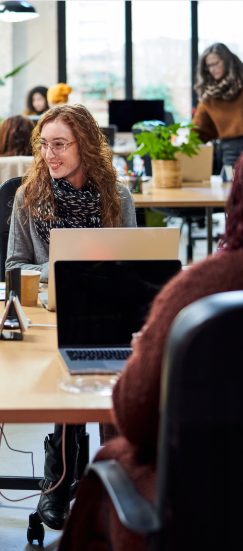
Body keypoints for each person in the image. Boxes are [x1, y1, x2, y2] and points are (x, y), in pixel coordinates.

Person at [58, 152, 243, 551]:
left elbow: (136, 418)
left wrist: (147, 352)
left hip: (207, 502)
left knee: (112, 458)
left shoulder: (201, 290)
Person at [6, 103, 136, 531]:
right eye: (44, 145)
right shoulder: (30, 196)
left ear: (87, 146)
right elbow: (13, 267)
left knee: (105, 369)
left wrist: (93, 269)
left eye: (60, 144)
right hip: (51, 313)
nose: (50, 155)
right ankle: (60, 473)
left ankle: (112, 475)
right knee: (72, 355)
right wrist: (62, 266)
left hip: (107, 310)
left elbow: (134, 262)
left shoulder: (116, 197)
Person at [193, 42, 243, 167]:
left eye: (215, 63)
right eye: (208, 66)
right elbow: (199, 130)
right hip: (230, 152)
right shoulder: (209, 97)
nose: (212, 69)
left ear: (227, 61)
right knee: (232, 185)